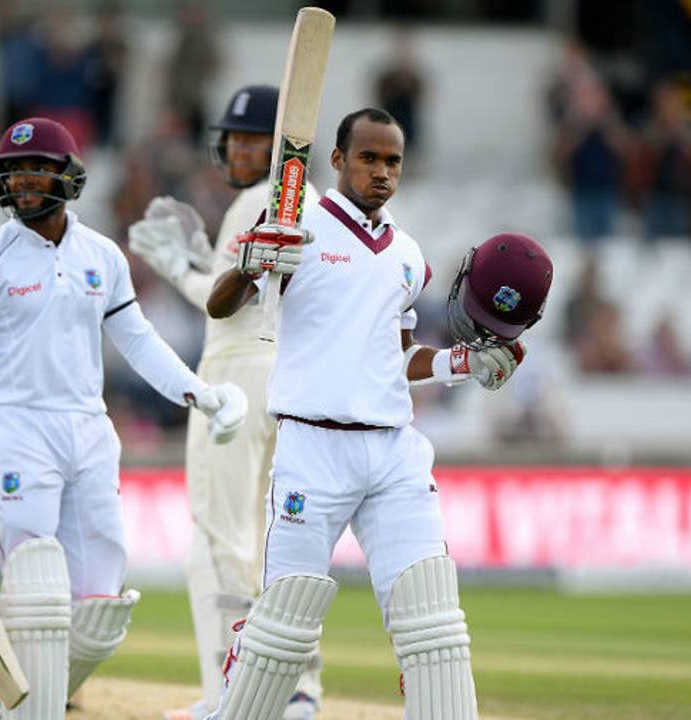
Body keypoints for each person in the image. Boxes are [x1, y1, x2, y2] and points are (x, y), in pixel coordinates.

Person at [203, 108, 552, 720]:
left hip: (393, 451)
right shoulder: (296, 226)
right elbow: (220, 305)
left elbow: (394, 355)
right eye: (368, 157)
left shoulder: (409, 256)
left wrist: (460, 364)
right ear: (337, 160)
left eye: (392, 160)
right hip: (313, 450)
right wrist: (251, 263)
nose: (382, 171)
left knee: (433, 620)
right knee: (284, 627)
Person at [0, 117, 248, 720]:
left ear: (68, 176)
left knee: (102, 611)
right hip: (17, 428)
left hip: (89, 431)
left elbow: (136, 340)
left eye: (37, 168)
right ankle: (32, 706)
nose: (25, 182)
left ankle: (21, 697)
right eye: (14, 172)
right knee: (37, 587)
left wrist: (201, 392)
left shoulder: (102, 257)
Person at [126, 85, 322, 720]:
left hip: (235, 380)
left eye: (250, 138)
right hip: (290, 383)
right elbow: (249, 296)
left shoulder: (250, 202)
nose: (237, 148)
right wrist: (197, 265)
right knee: (273, 548)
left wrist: (180, 266)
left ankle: (228, 698)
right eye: (232, 137)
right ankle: (296, 694)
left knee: (218, 541)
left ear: (278, 145)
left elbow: (226, 305)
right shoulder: (314, 203)